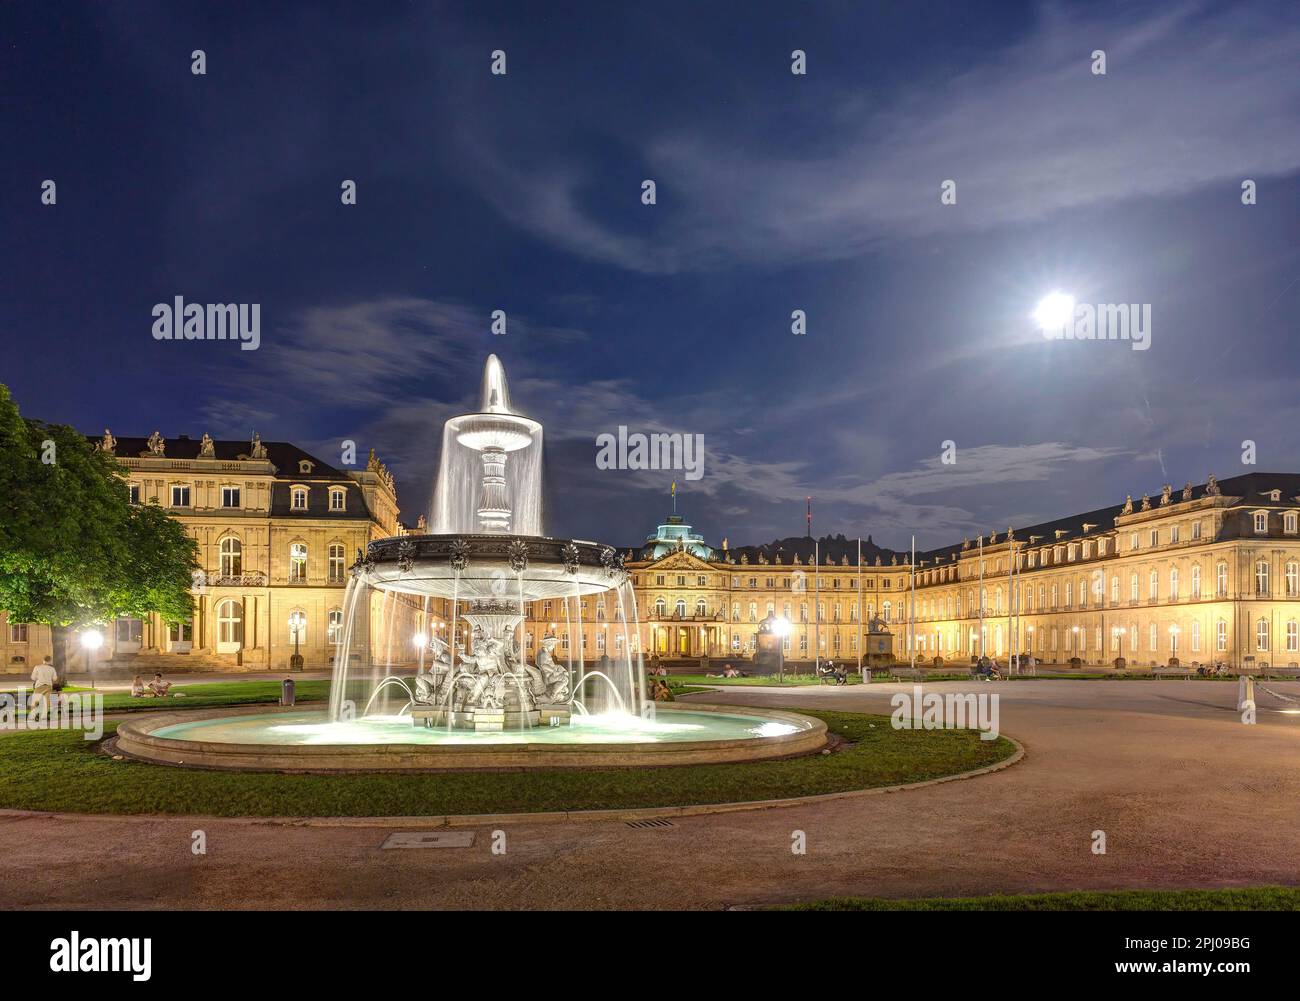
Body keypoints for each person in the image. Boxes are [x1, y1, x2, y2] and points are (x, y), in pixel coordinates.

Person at [29, 655, 58, 723]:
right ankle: (44, 717)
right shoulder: (52, 669)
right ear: (50, 661)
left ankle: (34, 716)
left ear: (43, 660)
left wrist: (39, 678)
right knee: (46, 703)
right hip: (48, 686)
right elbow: (55, 678)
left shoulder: (37, 667)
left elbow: (33, 677)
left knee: (35, 702)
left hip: (39, 686)